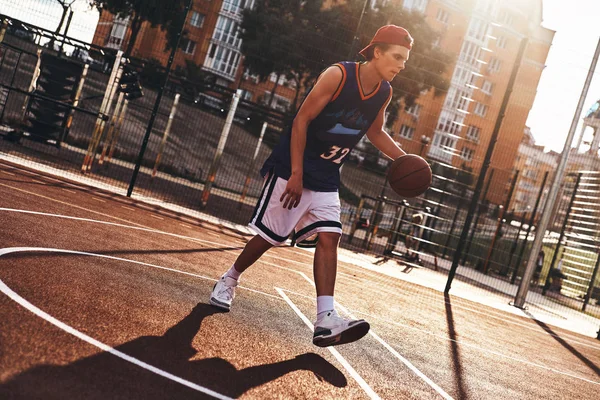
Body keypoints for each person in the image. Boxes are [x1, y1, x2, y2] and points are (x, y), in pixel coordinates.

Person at [209, 25, 413, 347]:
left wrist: (406, 161)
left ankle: (325, 319)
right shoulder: (338, 76)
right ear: (377, 52)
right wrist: (296, 173)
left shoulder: (384, 92)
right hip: (295, 166)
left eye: (405, 60)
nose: (402, 65)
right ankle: (229, 279)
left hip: (329, 174)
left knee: (330, 236)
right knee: (269, 238)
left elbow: (375, 132)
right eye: (397, 57)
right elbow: (301, 120)